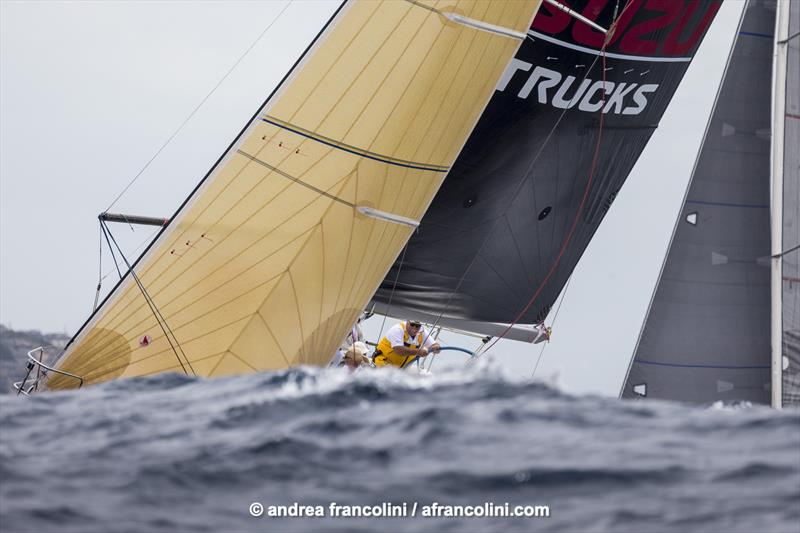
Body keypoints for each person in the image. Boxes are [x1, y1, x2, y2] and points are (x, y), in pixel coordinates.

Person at [373, 320, 440, 368]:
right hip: (382, 364)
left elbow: (435, 345)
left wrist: (436, 348)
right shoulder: (398, 329)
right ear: (407, 322)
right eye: (412, 325)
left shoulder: (422, 332)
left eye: (417, 326)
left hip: (399, 370)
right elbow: (399, 350)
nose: (414, 328)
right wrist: (418, 352)